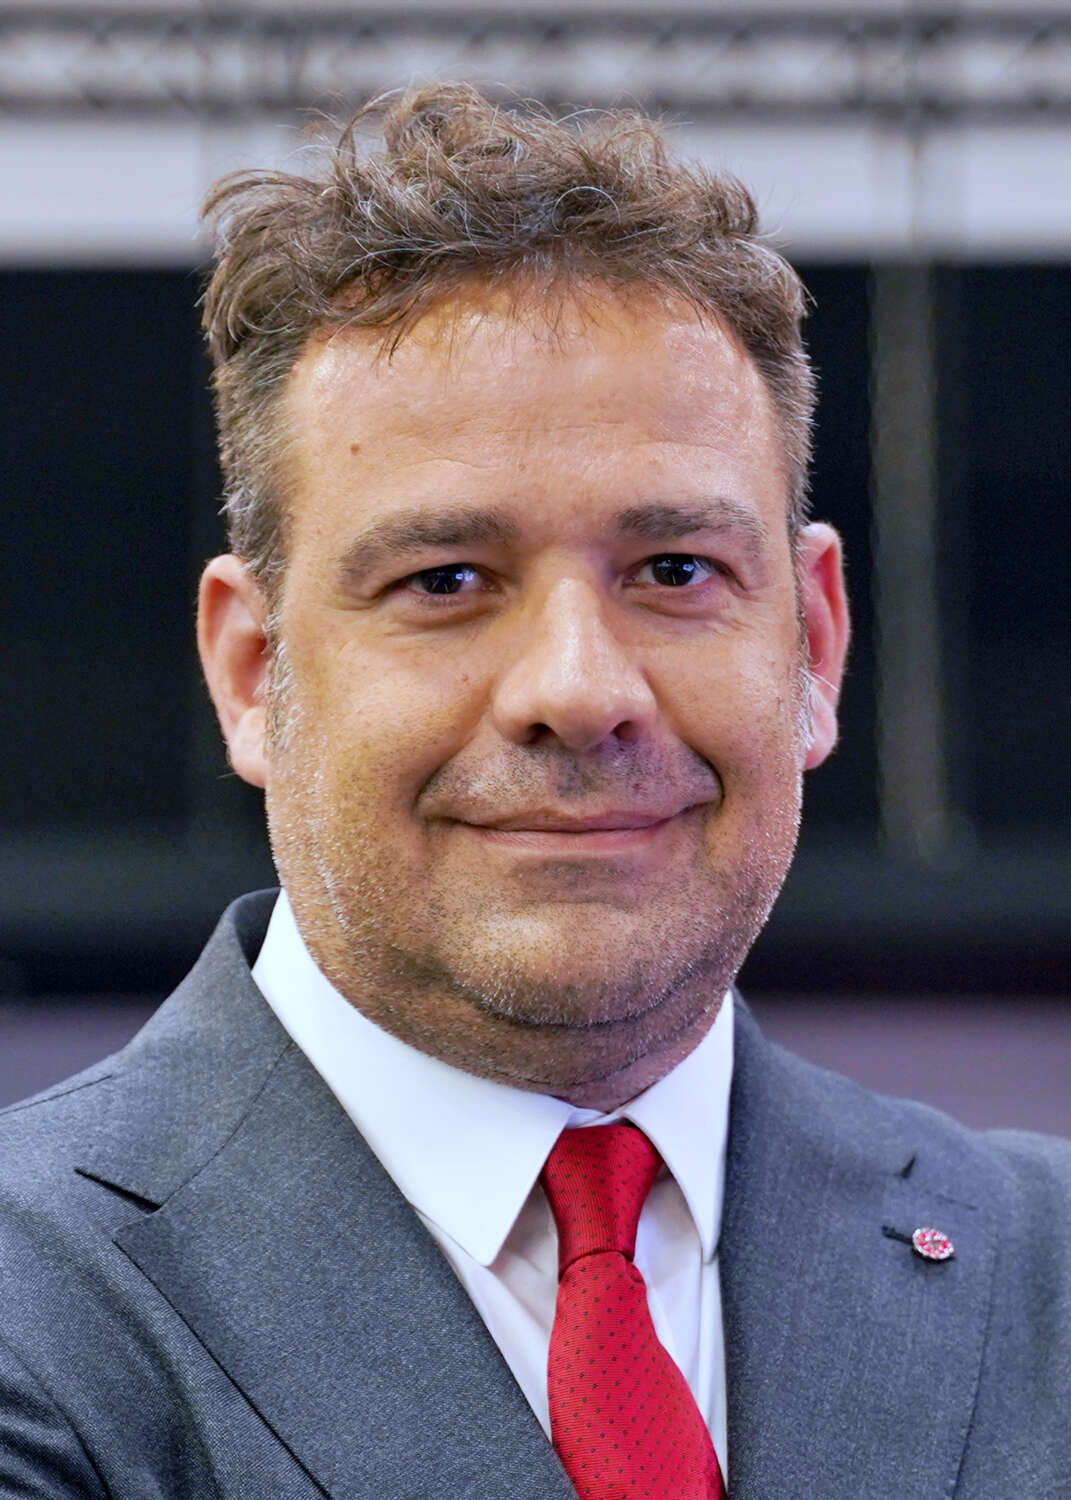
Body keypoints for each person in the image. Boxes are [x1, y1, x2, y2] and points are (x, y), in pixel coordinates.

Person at [0, 84, 1068, 1499]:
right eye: (446, 580)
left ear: (813, 644)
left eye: (675, 571)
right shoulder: (31, 1307)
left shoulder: (1051, 1279)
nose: (579, 687)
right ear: (254, 673)